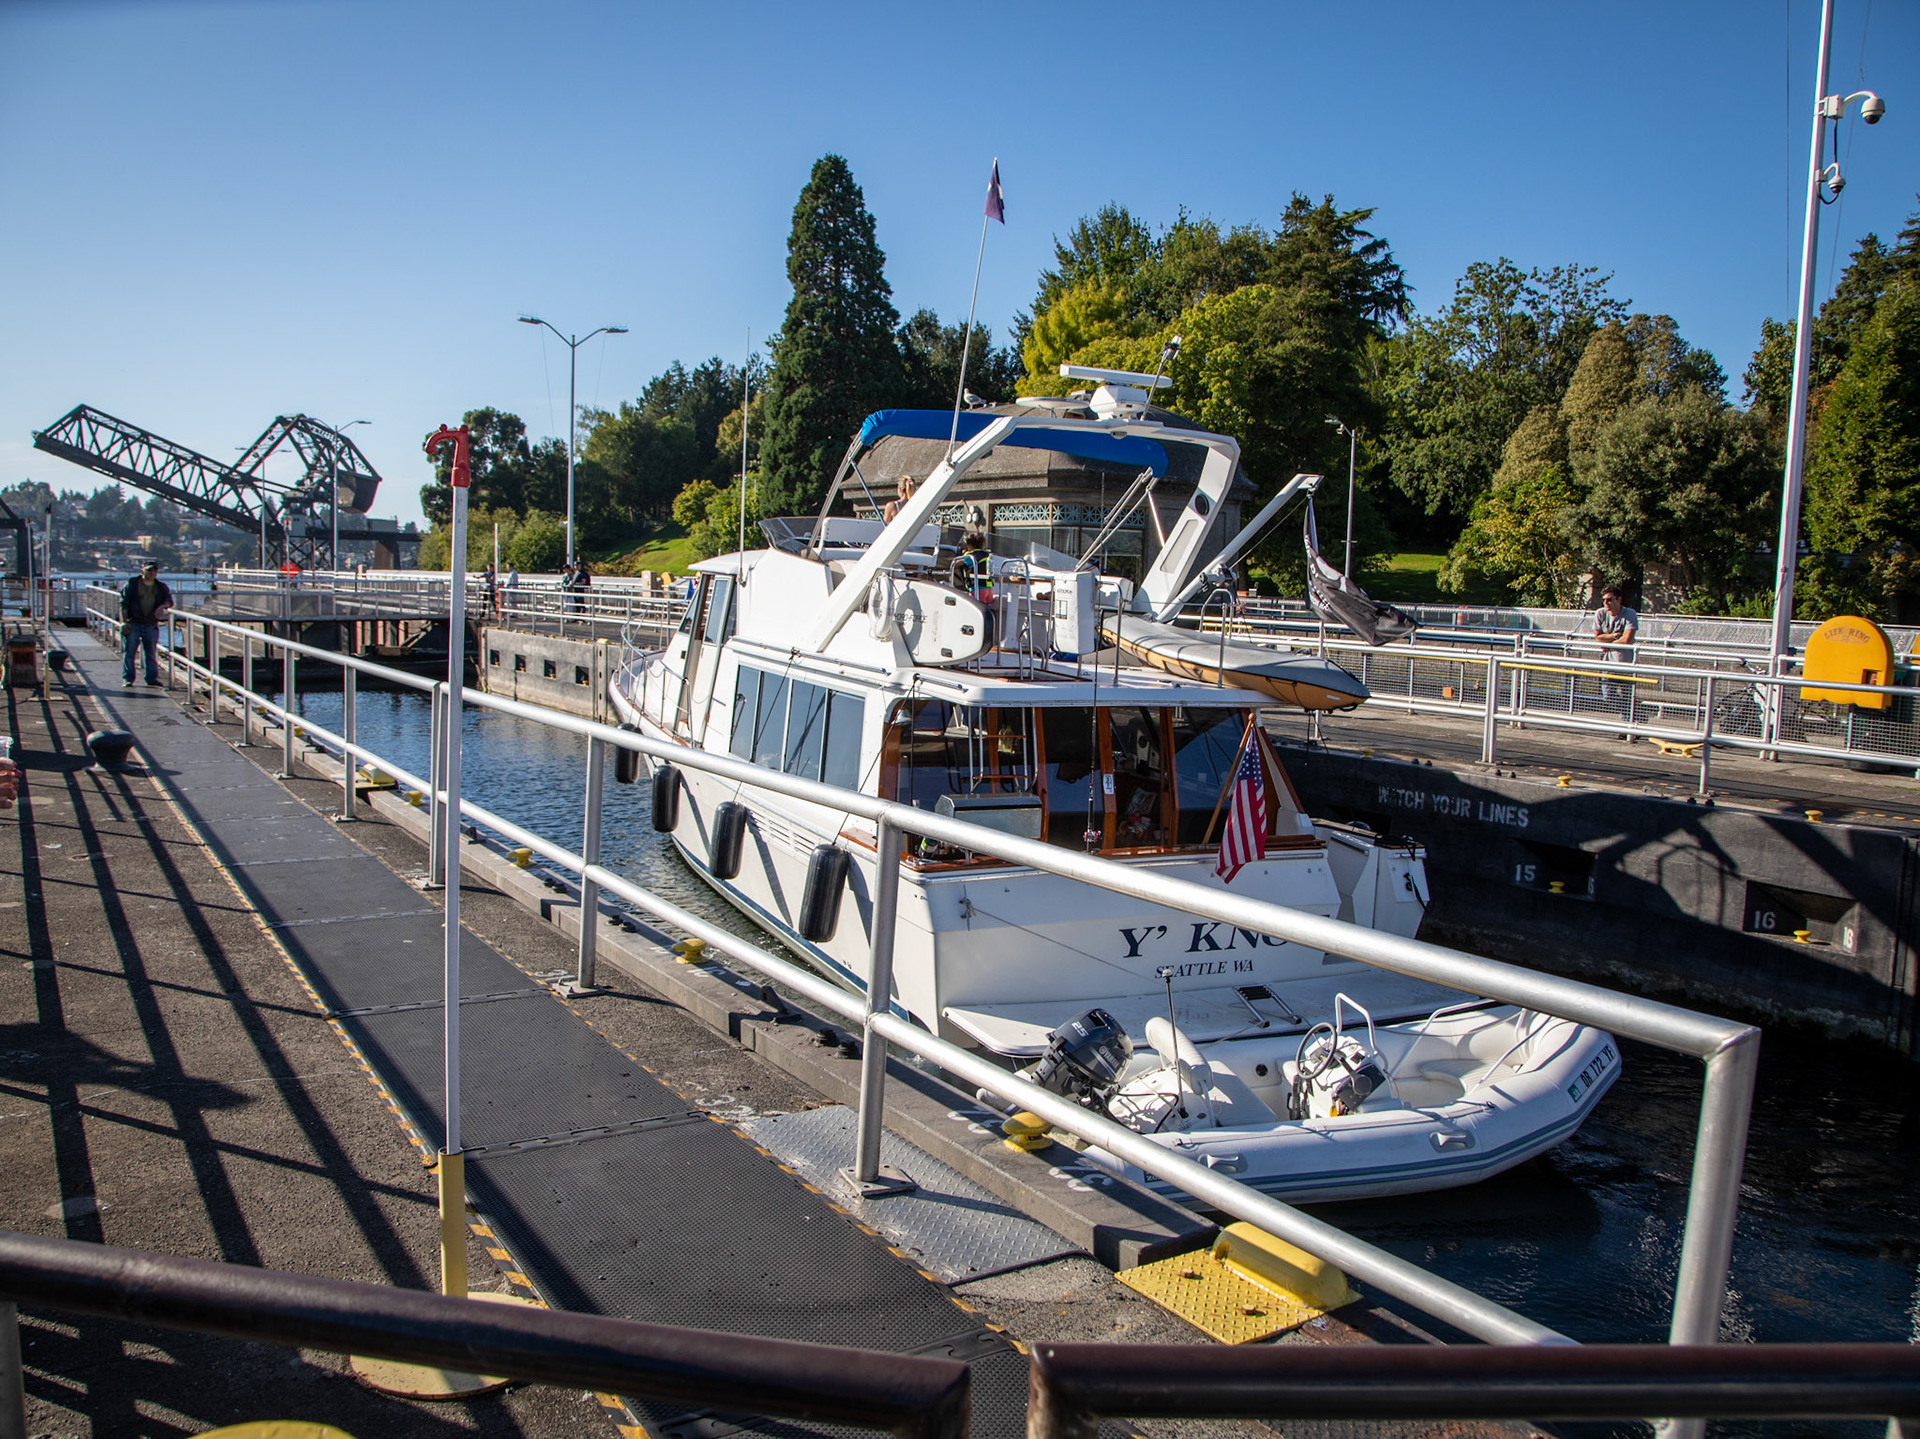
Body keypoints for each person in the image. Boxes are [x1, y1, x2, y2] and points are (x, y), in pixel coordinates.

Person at [1591, 583, 1639, 735]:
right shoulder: (1600, 613)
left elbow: (1627, 639)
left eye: (1609, 600)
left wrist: (1608, 642)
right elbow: (1598, 638)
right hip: (1608, 661)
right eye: (1604, 600)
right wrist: (1614, 636)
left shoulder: (1629, 613)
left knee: (1627, 694)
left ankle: (1627, 728)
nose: (1606, 603)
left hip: (1626, 662)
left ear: (1619, 599)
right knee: (1608, 695)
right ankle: (1637, 714)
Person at [120, 560, 174, 688]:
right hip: (133, 622)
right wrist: (123, 622)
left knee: (150, 652)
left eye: (154, 571)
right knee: (130, 652)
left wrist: (162, 606)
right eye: (149, 570)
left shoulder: (160, 587)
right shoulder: (132, 584)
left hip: (150, 623)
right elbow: (123, 604)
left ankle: (151, 678)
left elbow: (169, 601)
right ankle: (128, 678)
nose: (151, 573)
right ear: (142, 570)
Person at [957, 530, 994, 605]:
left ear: (970, 545)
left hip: (977, 589)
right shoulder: (985, 554)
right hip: (989, 589)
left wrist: (963, 555)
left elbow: (957, 564)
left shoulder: (971, 556)